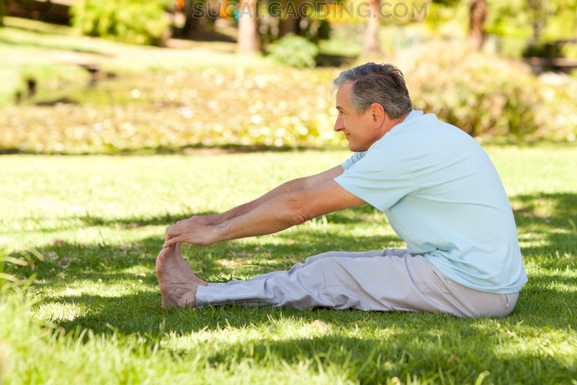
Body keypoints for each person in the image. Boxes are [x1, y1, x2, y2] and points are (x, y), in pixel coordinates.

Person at [157, 62, 527, 316]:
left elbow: (300, 207)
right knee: (323, 264)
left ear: (376, 114)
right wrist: (216, 219)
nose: (337, 125)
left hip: (475, 288)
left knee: (327, 274)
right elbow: (306, 185)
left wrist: (217, 234)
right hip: (475, 276)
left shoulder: (401, 152)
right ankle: (204, 291)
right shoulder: (412, 134)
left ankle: (194, 295)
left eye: (342, 112)